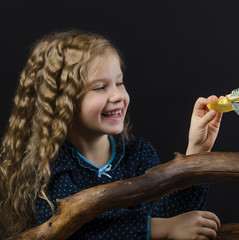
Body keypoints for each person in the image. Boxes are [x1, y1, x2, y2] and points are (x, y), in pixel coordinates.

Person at [0, 30, 223, 239]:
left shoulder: (139, 154)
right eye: (100, 87)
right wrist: (159, 228)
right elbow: (75, 231)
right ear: (62, 102)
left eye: (119, 83)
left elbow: (170, 218)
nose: (117, 95)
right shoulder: (50, 167)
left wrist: (196, 154)